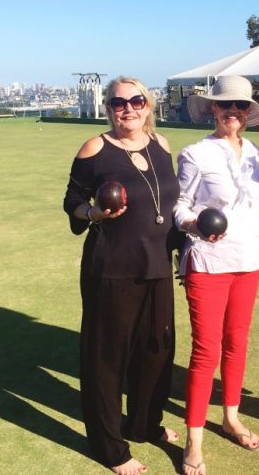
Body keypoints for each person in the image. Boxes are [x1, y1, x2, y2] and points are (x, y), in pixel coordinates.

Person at [63, 77, 181, 475]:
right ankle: (109, 446)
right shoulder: (96, 147)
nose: (127, 109)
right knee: (107, 360)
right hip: (111, 268)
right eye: (118, 103)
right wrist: (93, 213)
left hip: (158, 266)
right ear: (108, 107)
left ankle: (144, 423)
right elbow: (72, 201)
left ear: (148, 105)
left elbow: (170, 204)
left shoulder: (162, 145)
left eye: (136, 101)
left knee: (156, 351)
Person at [173, 75, 259, 475]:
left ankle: (230, 417)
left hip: (250, 259)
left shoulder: (255, 152)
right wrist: (195, 226)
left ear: (247, 113)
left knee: (237, 342)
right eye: (225, 107)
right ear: (213, 110)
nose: (233, 114)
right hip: (209, 261)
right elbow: (180, 207)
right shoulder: (195, 153)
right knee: (206, 350)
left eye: (240, 108)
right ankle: (193, 440)